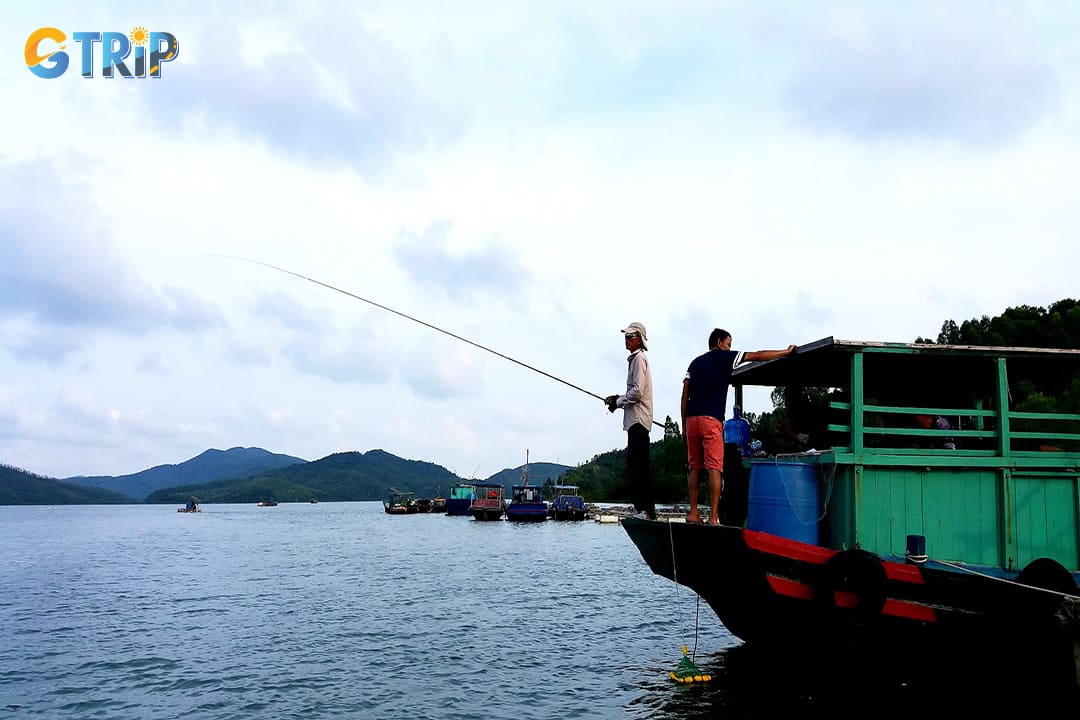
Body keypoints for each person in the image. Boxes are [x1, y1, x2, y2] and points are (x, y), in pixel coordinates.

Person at [682, 329, 796, 525]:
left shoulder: (694, 363)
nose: (730, 347)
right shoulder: (726, 357)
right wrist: (784, 352)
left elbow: (684, 395)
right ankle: (712, 517)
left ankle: (693, 513)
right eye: (728, 343)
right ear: (719, 342)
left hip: (691, 419)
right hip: (711, 419)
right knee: (714, 467)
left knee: (694, 467)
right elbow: (757, 355)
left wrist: (683, 425)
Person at [605, 321, 656, 520]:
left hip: (639, 421)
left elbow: (637, 392)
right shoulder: (636, 359)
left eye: (630, 336)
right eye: (625, 336)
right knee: (634, 467)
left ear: (640, 339)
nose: (626, 340)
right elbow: (634, 391)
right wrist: (617, 398)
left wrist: (617, 402)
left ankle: (646, 511)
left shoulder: (639, 358)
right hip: (636, 420)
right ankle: (641, 508)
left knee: (640, 467)